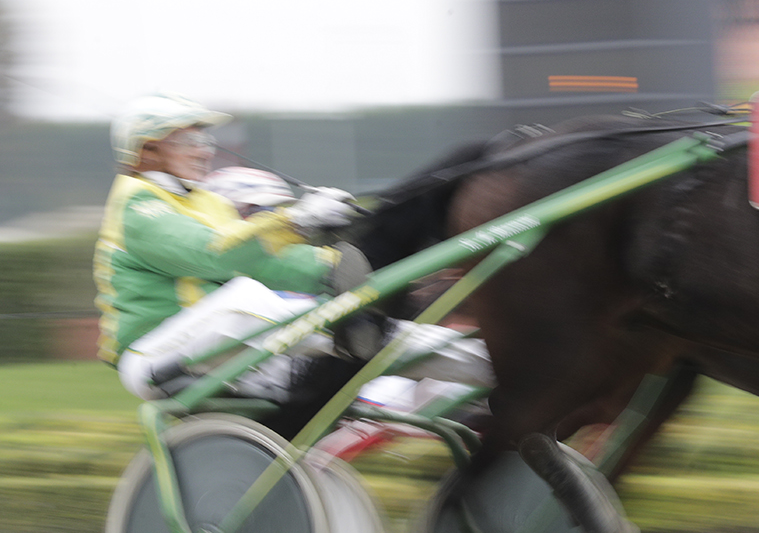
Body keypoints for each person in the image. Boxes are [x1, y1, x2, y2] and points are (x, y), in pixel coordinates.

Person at [95, 93, 493, 411]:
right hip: (153, 357)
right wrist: (297, 221)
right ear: (147, 151)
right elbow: (214, 255)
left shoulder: (207, 203)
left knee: (376, 341)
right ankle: (349, 332)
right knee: (249, 298)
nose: (204, 150)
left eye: (205, 139)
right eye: (189, 140)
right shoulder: (136, 202)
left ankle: (492, 367)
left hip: (219, 347)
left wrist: (339, 266)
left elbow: (264, 260)